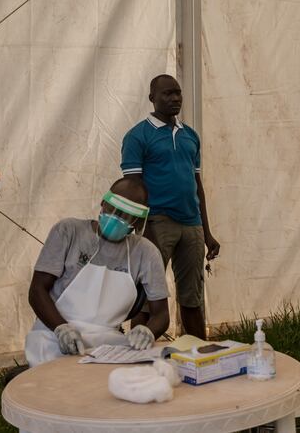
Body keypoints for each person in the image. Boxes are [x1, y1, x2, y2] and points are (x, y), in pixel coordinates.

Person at [25, 178, 170, 367]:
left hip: (108, 342)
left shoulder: (146, 252)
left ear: (137, 221)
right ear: (103, 203)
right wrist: (61, 328)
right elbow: (37, 291)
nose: (116, 217)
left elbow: (161, 314)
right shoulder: (69, 231)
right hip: (52, 336)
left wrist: (148, 331)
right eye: (112, 209)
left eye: (125, 216)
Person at [120, 74, 219, 340]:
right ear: (152, 98)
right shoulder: (137, 136)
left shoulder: (190, 136)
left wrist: (207, 232)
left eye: (178, 93)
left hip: (192, 224)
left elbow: (197, 185)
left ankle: (199, 353)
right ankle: (137, 354)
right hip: (157, 223)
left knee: (192, 296)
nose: (175, 98)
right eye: (167, 93)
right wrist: (145, 228)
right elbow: (132, 190)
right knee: (146, 295)